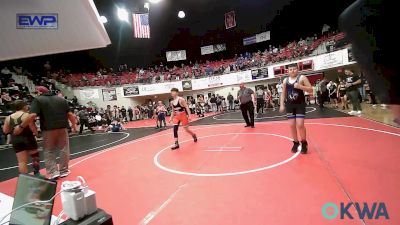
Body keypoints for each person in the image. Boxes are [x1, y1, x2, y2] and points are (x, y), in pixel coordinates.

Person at [17, 86, 77, 179]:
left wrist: (23, 127)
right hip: (62, 128)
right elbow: (70, 114)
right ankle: (64, 170)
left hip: (48, 129)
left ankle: (53, 172)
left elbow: (32, 115)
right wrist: (74, 125)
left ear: (39, 92)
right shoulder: (61, 100)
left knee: (49, 150)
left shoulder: (38, 100)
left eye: (36, 92)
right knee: (64, 149)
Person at [279, 64, 313, 154]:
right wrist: (281, 104)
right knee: (291, 125)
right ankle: (296, 142)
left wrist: (300, 87)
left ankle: (304, 143)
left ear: (297, 69)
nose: (292, 71)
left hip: (299, 105)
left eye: (294, 69)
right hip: (290, 105)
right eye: (290, 69)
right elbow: (283, 93)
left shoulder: (302, 78)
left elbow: (311, 90)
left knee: (300, 124)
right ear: (288, 71)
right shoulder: (285, 80)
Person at [3, 100, 41, 175]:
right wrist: (37, 134)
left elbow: (5, 131)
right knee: (35, 156)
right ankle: (37, 174)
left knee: (22, 161)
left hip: (16, 140)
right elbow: (32, 127)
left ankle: (25, 179)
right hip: (28, 138)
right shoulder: (26, 115)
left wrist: (14, 128)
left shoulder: (8, 118)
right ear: (23, 106)